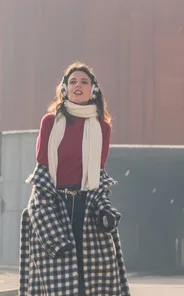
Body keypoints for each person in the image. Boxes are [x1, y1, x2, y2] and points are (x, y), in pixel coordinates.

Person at [18, 61, 130, 296]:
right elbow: (42, 170)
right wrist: (45, 213)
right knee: (57, 284)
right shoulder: (50, 122)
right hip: (54, 204)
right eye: (72, 82)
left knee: (94, 280)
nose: (78, 86)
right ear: (64, 88)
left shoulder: (102, 127)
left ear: (93, 90)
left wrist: (105, 210)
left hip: (86, 208)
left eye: (84, 82)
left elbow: (98, 175)